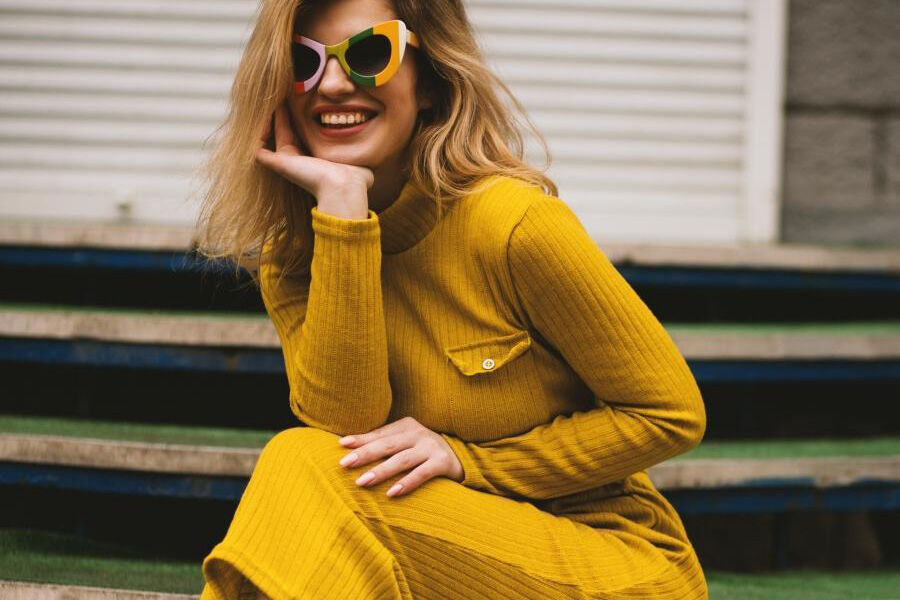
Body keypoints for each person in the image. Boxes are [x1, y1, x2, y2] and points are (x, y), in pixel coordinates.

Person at [194, 0, 709, 598]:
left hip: (611, 562)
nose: (333, 84)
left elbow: (668, 415)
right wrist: (342, 208)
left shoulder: (512, 224)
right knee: (316, 459)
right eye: (301, 62)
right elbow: (349, 429)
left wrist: (474, 462)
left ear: (431, 82)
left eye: (369, 55)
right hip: (437, 547)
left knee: (302, 462)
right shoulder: (296, 257)